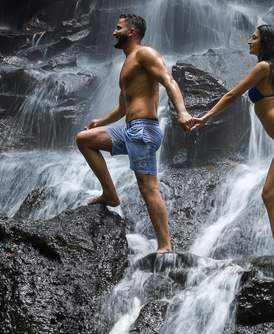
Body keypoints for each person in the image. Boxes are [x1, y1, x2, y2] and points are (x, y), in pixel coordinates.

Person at [189, 25, 274, 261]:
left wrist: (205, 117)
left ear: (265, 43)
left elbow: (232, 95)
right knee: (269, 194)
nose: (249, 41)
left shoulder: (263, 67)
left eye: (254, 38)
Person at [76, 14, 194, 253]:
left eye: (118, 28)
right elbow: (122, 107)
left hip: (144, 129)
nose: (113, 32)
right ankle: (110, 194)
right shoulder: (127, 64)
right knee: (85, 139)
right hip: (129, 129)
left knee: (148, 187)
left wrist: (182, 112)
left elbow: (168, 79)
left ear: (131, 32)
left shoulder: (145, 54)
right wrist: (101, 121)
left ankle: (165, 246)